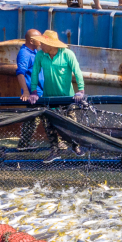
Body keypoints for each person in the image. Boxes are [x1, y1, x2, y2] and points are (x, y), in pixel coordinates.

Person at [23, 30, 86, 160]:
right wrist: (33, 92)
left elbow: (77, 71)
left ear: (51, 44)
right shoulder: (41, 55)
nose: (40, 45)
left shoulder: (68, 54)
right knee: (49, 125)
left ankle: (75, 147)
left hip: (67, 99)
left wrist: (81, 91)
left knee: (72, 125)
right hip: (49, 98)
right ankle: (55, 151)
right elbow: (35, 72)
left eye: (43, 43)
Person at [15, 29, 45, 149]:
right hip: (34, 94)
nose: (41, 40)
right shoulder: (25, 53)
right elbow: (20, 73)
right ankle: (23, 144)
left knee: (33, 119)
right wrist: (26, 92)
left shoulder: (35, 52)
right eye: (39, 38)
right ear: (32, 40)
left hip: (40, 92)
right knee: (35, 119)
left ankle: (24, 143)